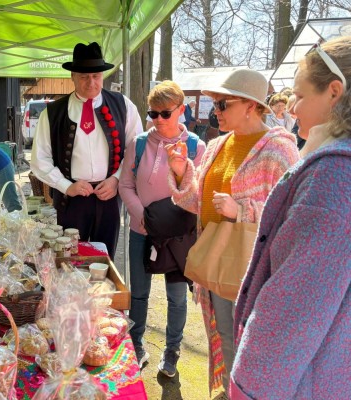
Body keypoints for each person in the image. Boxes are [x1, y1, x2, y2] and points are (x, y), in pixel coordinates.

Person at [230, 36, 351, 400]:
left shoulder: (333, 175)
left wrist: (248, 387)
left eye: (299, 96)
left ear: (334, 92)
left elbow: (296, 304)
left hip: (304, 380)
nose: (292, 108)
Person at [166, 68, 299, 394]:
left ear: (251, 106)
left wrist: (242, 211)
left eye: (223, 105)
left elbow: (291, 217)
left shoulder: (278, 150)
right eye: (215, 104)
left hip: (250, 273)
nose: (215, 111)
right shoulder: (217, 145)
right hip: (217, 264)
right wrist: (182, 173)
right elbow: (197, 202)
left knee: (241, 346)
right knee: (223, 339)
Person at [119, 81, 206, 372]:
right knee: (139, 293)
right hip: (141, 231)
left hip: (178, 237)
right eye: (152, 113)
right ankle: (137, 343)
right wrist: (138, 212)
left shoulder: (196, 146)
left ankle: (172, 350)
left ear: (182, 110)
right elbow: (126, 184)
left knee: (177, 297)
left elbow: (197, 194)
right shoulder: (140, 143)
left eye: (164, 113)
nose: (157, 120)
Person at [31, 42, 143, 258]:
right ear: (72, 76)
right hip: (71, 200)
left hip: (109, 195)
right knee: (70, 258)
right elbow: (39, 160)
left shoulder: (123, 105)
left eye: (96, 76)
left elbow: (135, 149)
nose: (91, 82)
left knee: (104, 259)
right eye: (84, 76)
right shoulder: (53, 113)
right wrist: (66, 186)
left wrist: (117, 179)